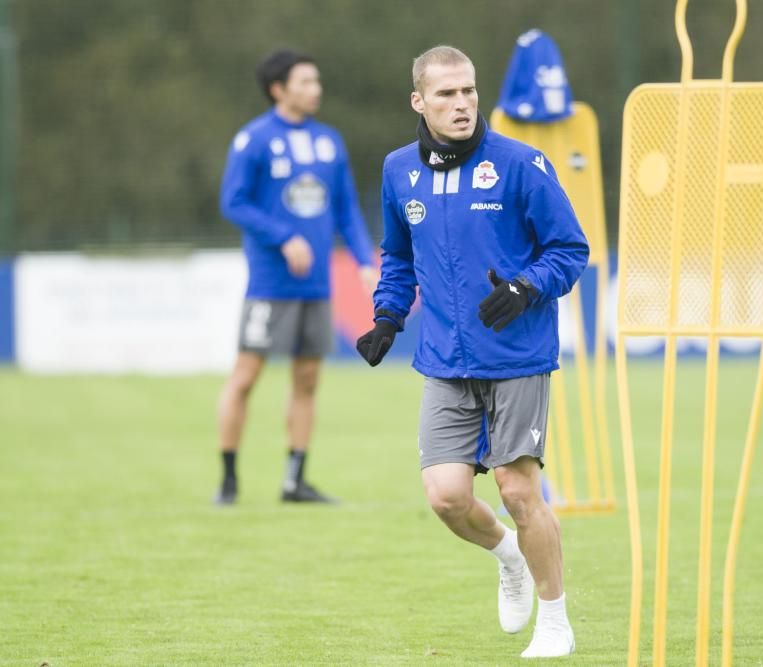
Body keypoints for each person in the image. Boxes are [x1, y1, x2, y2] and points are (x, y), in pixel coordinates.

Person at [356, 46, 588, 658]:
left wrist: (524, 287)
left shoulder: (520, 164)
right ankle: (507, 555)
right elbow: (399, 257)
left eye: (468, 92)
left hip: (517, 357)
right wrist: (386, 316)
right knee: (447, 498)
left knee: (516, 489)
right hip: (444, 361)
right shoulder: (398, 170)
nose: (461, 105)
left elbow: (570, 250)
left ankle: (555, 619)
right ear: (419, 102)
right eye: (446, 95)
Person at [215, 49, 377, 505]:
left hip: (316, 285)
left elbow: (345, 207)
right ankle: (228, 480)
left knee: (307, 380)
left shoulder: (329, 142)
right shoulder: (255, 138)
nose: (315, 89)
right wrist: (284, 237)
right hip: (270, 284)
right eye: (305, 82)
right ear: (278, 89)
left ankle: (294, 480)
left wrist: (365, 261)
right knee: (246, 377)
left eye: (317, 81)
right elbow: (234, 202)